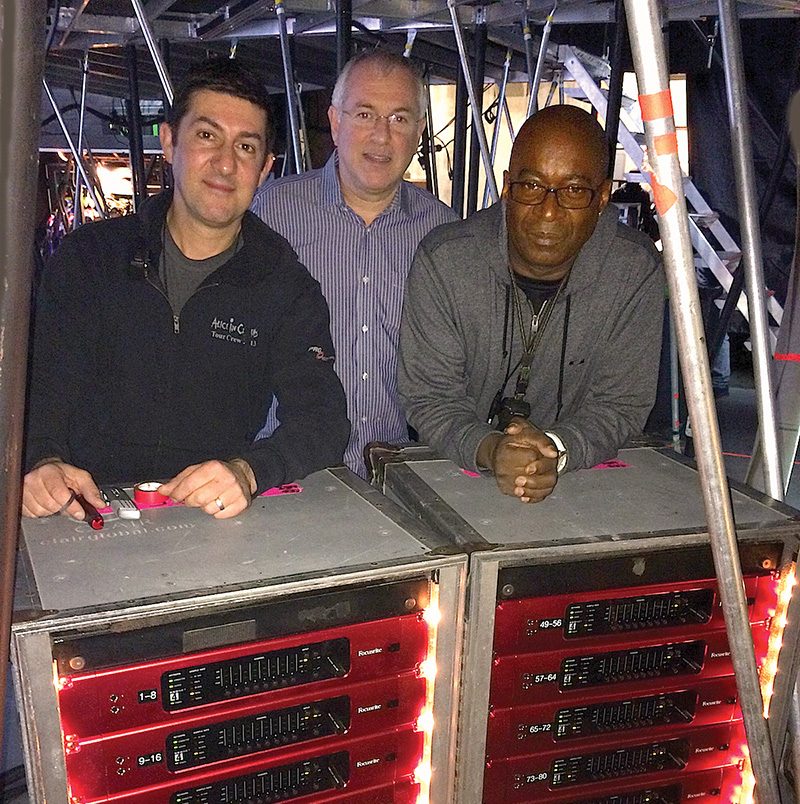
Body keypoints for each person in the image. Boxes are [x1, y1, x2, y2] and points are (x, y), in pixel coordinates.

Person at [23, 57, 349, 522]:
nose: (225, 162)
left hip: (208, 516)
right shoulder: (89, 258)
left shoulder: (284, 286)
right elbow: (39, 389)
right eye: (206, 135)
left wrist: (248, 471)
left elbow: (324, 418)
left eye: (246, 146)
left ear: (264, 169)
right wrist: (44, 461)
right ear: (169, 140)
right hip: (81, 507)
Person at [398, 104, 665, 504]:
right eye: (532, 186)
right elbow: (430, 397)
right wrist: (491, 449)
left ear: (602, 197)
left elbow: (621, 404)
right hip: (455, 471)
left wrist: (555, 449)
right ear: (507, 187)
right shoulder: (445, 260)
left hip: (582, 476)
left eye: (574, 190)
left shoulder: (634, 270)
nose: (548, 211)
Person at [252, 50, 455, 479]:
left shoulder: (443, 234)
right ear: (335, 121)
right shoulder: (271, 214)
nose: (382, 136)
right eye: (364, 114)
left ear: (419, 131)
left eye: (399, 119)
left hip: (399, 474)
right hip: (286, 475)